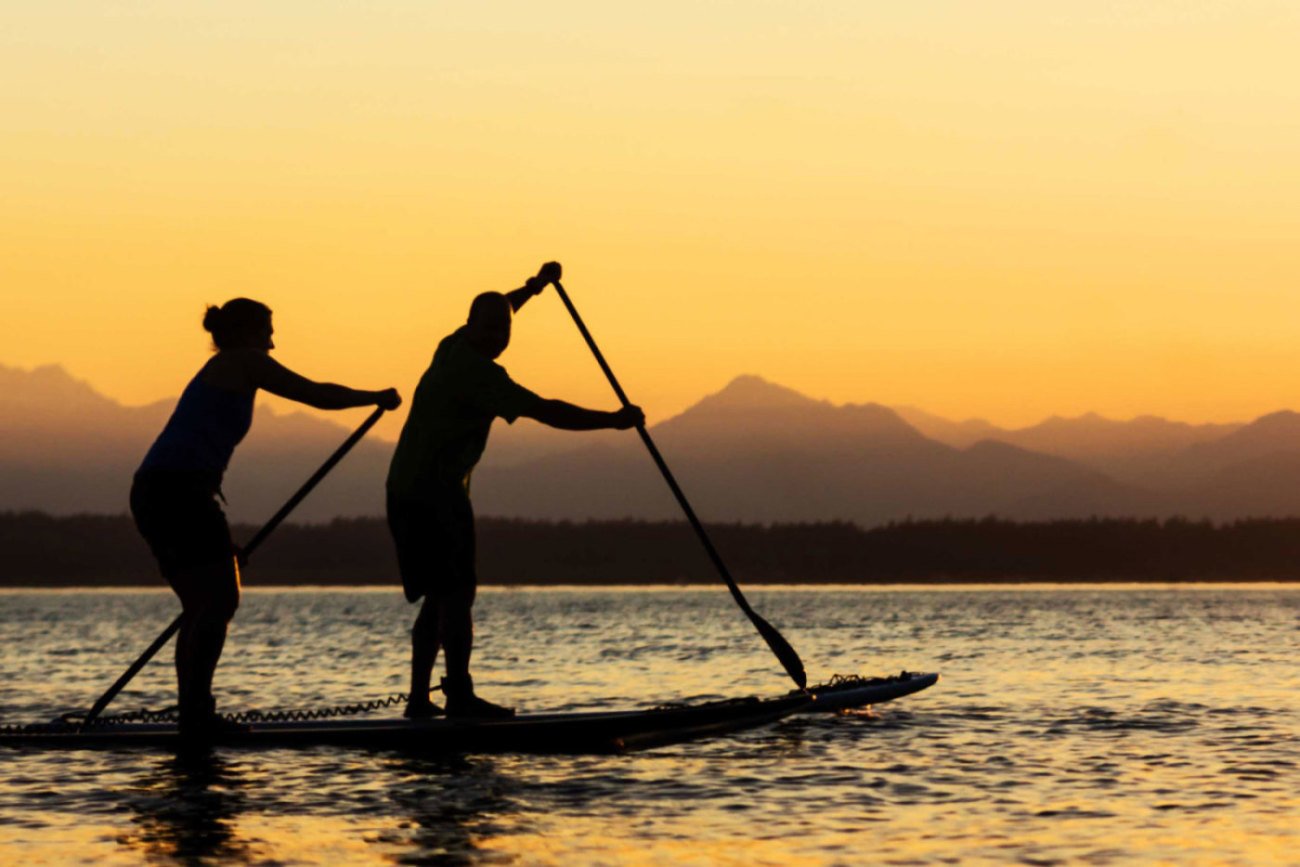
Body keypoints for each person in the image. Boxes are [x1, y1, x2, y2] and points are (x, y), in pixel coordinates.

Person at [131, 298, 401, 735]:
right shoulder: (244, 362)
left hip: (167, 492)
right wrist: (374, 397)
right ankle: (196, 715)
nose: (273, 343)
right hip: (174, 494)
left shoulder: (230, 367)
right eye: (268, 331)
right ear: (248, 334)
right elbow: (315, 394)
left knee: (205, 603)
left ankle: (192, 713)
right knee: (217, 602)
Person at [387, 262, 643, 719]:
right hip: (437, 494)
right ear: (471, 326)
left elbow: (501, 309)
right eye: (489, 328)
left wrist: (532, 289)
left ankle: (418, 701)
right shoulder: (480, 375)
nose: (498, 336)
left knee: (438, 596)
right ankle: (459, 697)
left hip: (405, 487)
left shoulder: (450, 345)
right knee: (458, 595)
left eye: (504, 328)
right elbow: (547, 411)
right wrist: (613, 420)